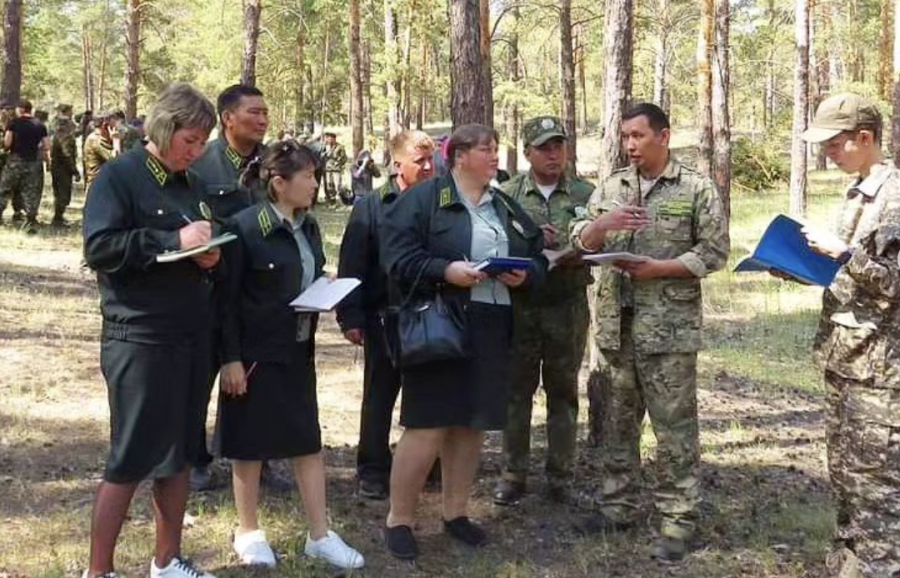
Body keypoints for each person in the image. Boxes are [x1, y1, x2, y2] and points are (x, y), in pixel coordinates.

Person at [380, 124, 547, 560]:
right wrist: (446, 270)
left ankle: (455, 512)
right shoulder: (423, 200)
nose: (496, 156)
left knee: (471, 422)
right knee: (429, 422)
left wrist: (524, 274)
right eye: (487, 150)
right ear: (458, 156)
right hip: (441, 321)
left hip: (492, 322)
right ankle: (399, 519)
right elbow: (397, 259)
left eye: (496, 148)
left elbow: (536, 256)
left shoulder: (503, 204)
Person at [571, 102, 729, 562]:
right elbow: (579, 237)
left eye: (638, 135)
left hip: (668, 332)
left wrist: (661, 268)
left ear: (664, 136)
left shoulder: (695, 188)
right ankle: (616, 506)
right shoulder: (614, 185)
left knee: (674, 429)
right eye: (625, 137)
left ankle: (679, 520)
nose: (630, 145)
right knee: (617, 425)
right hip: (616, 329)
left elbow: (714, 252)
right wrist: (600, 227)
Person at [81, 82, 219, 578]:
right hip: (139, 336)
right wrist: (169, 239)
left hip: (190, 333)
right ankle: (99, 572)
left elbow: (198, 237)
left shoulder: (192, 183)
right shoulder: (120, 176)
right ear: (166, 127)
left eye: (204, 142)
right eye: (191, 140)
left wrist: (206, 255)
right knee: (131, 455)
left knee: (180, 451)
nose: (197, 151)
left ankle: (167, 561)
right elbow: (100, 247)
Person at [215, 141, 364, 570]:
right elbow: (226, 302)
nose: (315, 184)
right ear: (279, 183)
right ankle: (248, 531)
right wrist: (231, 359)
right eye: (308, 177)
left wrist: (323, 285)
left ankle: (320, 534)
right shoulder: (244, 228)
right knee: (249, 444)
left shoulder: (309, 225)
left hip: (298, 348)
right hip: (255, 353)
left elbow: (306, 273)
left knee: (306, 440)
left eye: (316, 176)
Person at [793, 93, 900, 578]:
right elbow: (849, 278)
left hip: (883, 369)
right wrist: (801, 266)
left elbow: (893, 281)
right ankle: (847, 566)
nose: (828, 154)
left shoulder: (895, 195)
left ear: (865, 138)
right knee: (845, 477)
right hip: (845, 361)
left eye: (835, 144)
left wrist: (843, 255)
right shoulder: (858, 190)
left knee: (878, 485)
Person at [189, 83, 291, 492]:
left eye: (266, 112)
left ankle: (256, 456)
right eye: (253, 112)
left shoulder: (274, 163)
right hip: (210, 284)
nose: (263, 119)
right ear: (228, 118)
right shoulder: (203, 162)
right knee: (200, 375)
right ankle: (195, 459)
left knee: (255, 375)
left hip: (259, 290)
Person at [494, 116, 594, 506]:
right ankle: (513, 473)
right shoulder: (507, 194)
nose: (554, 155)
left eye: (559, 146)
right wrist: (531, 247)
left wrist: (577, 250)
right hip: (521, 306)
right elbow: (494, 244)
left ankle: (560, 475)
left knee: (563, 392)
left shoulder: (586, 192)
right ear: (528, 153)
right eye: (544, 148)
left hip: (566, 304)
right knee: (516, 393)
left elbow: (604, 240)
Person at [336, 130, 435, 500]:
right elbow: (352, 263)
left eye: (431, 160)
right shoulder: (373, 205)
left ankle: (428, 465)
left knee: (427, 393)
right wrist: (351, 317)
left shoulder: (442, 200)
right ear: (397, 164)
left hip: (431, 315)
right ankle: (373, 468)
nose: (428, 167)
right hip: (384, 316)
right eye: (419, 161)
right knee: (379, 395)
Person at [0, 100, 50, 233]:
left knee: (5, 188)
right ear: (30, 109)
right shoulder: (40, 125)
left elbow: (7, 142)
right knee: (32, 192)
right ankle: (30, 219)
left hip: (15, 160)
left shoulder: (13, 123)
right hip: (33, 162)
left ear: (20, 109)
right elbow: (46, 146)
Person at [50, 104, 81, 227]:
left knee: (59, 193)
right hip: (62, 168)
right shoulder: (64, 135)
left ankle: (59, 217)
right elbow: (67, 154)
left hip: (57, 166)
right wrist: (75, 171)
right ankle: (58, 219)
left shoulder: (58, 133)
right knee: (63, 193)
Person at [83, 112, 114, 195]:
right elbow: (115, 160)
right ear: (105, 125)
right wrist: (116, 139)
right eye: (112, 126)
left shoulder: (98, 138)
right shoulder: (96, 140)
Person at [322, 131, 347, 206]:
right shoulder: (324, 146)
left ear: (333, 138)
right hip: (327, 169)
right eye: (327, 138)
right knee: (329, 185)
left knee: (338, 185)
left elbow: (344, 158)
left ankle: (340, 201)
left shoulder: (340, 147)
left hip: (336, 169)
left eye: (329, 138)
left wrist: (339, 162)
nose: (327, 140)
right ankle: (330, 200)